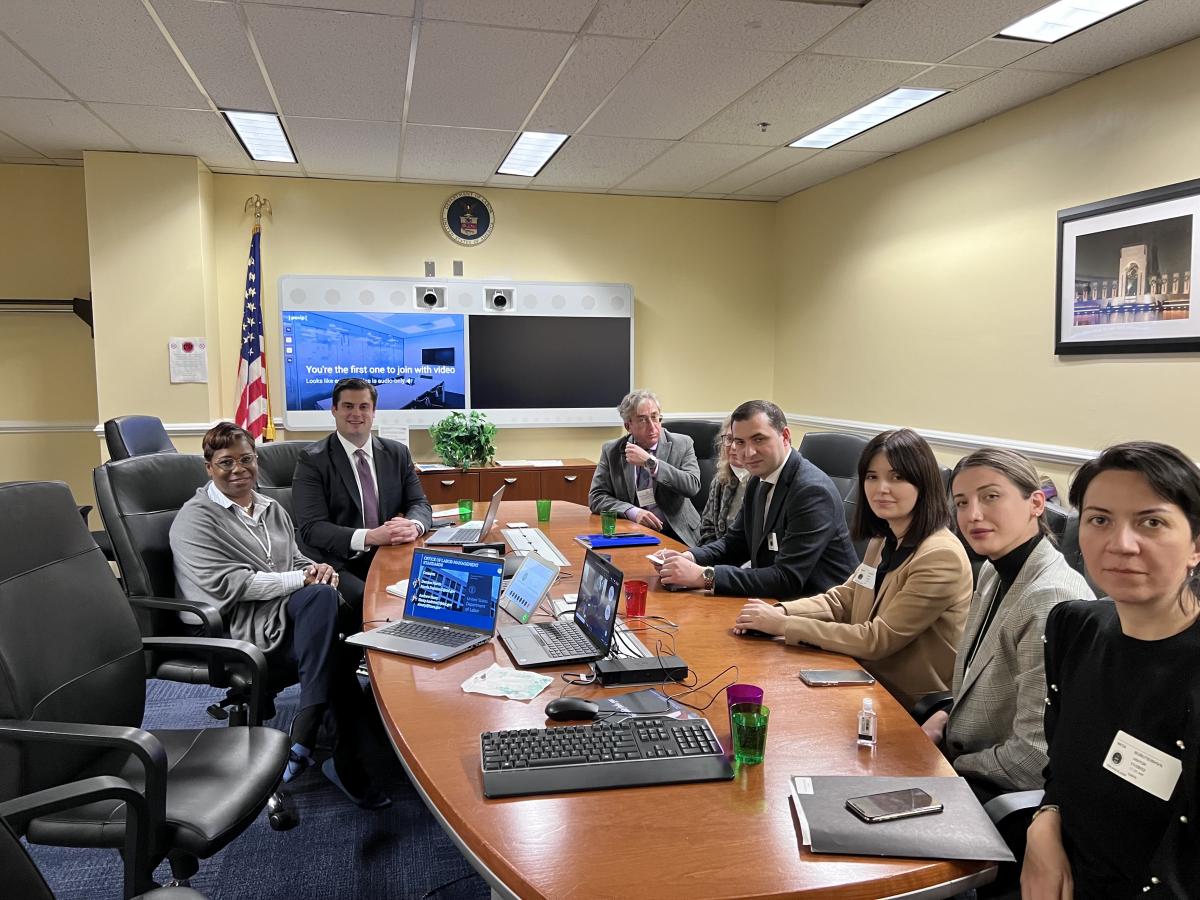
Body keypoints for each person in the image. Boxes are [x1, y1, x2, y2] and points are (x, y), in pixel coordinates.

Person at [170, 422, 389, 809]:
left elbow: (295, 559)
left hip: (286, 614)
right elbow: (232, 586)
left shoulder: (270, 507)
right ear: (208, 468)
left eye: (246, 459)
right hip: (239, 626)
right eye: (225, 463)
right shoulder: (195, 520)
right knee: (328, 622)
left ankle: (326, 739)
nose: (238, 469)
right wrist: (305, 579)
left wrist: (319, 569)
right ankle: (320, 732)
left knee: (337, 606)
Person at [1022, 441, 1200, 899]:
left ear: (1196, 545)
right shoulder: (1072, 626)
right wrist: (1043, 824)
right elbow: (1060, 772)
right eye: (1100, 520)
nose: (1120, 544)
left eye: (1152, 522)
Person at [733, 428, 971, 711]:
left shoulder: (940, 555)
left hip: (904, 704)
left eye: (897, 477)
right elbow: (843, 599)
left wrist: (783, 626)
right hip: (859, 678)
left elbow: (877, 639)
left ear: (924, 483)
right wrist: (781, 612)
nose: (881, 488)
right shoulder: (884, 538)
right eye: (872, 477)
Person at [923, 448, 1094, 800]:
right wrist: (945, 716)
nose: (973, 515)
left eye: (991, 497)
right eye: (961, 502)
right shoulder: (993, 568)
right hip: (963, 754)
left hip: (993, 791)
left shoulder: (1051, 598)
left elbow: (1032, 758)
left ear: (1035, 503)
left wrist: (943, 765)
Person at [658, 399, 857, 599]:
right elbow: (735, 543)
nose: (748, 453)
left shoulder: (811, 491)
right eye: (740, 442)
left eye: (759, 439)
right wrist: (690, 557)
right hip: (773, 602)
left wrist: (705, 576)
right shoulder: (758, 480)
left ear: (785, 436)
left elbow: (787, 579)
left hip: (820, 611)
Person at [292, 377, 432, 612]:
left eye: (363, 406)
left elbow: (419, 503)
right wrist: (371, 536)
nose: (356, 413)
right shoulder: (313, 460)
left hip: (387, 554)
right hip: (336, 562)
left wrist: (414, 525)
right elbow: (312, 528)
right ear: (334, 409)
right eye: (348, 406)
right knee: (371, 602)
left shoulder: (397, 453)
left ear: (374, 411)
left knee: (427, 592)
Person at [588, 389, 702, 544]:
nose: (652, 427)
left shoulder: (682, 443)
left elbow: (692, 486)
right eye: (642, 420)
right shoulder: (612, 451)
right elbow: (596, 497)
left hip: (677, 533)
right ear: (628, 426)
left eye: (655, 417)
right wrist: (632, 512)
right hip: (634, 532)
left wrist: (651, 462)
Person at [697, 415, 749, 545]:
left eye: (740, 441)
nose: (733, 447)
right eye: (729, 439)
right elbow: (707, 527)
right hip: (719, 556)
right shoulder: (719, 481)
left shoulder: (762, 482)